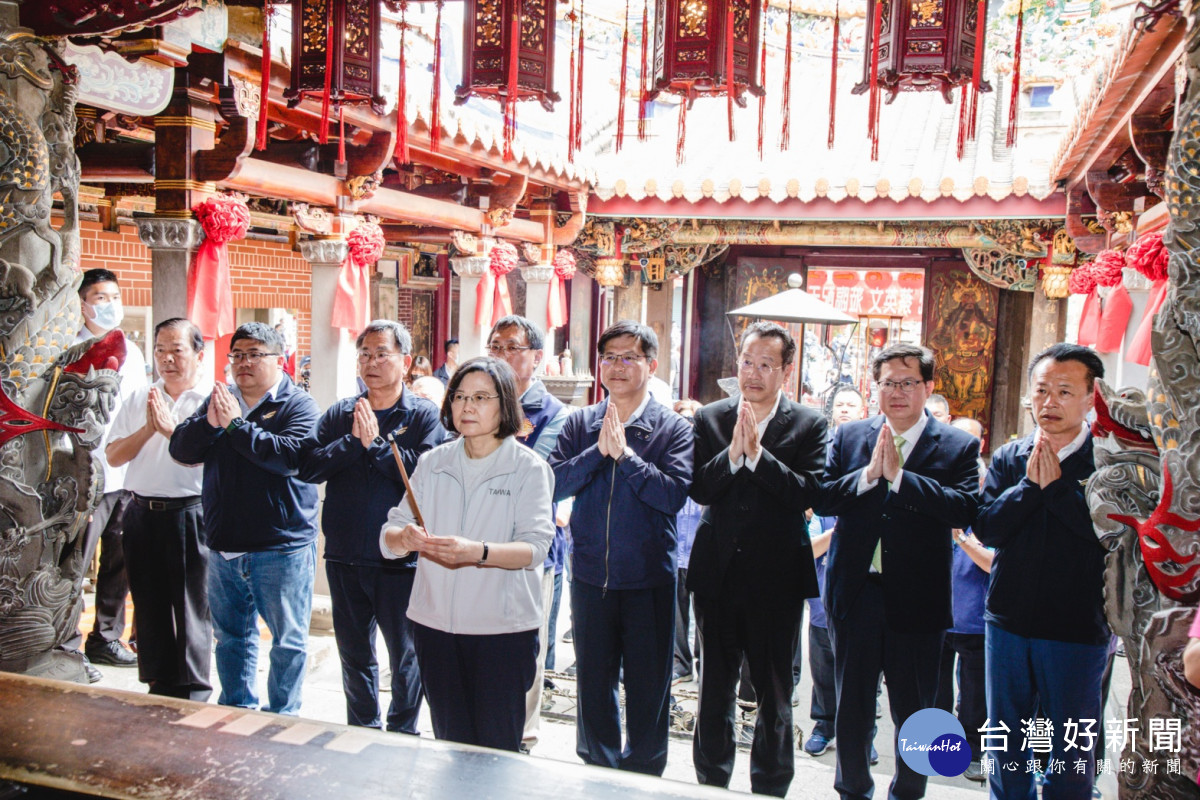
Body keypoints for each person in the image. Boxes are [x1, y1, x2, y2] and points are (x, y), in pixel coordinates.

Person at [817, 343, 980, 800]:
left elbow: (965, 507)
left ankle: (908, 792)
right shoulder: (851, 436)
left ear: (928, 387)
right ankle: (852, 789)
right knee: (852, 706)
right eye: (888, 382)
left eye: (909, 382)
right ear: (877, 387)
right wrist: (868, 476)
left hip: (918, 599)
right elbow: (825, 495)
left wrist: (903, 479)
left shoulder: (957, 445)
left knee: (916, 710)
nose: (898, 392)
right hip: (855, 594)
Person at [380, 357, 554, 752]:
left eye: (480, 397)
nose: (467, 407)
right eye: (459, 396)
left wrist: (477, 552)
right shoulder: (432, 462)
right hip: (434, 627)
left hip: (501, 632)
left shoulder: (528, 468)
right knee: (450, 745)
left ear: (505, 404)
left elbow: (535, 548)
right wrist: (403, 538)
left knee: (495, 751)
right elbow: (388, 535)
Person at [688, 321, 828, 797]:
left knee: (774, 694)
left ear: (785, 371)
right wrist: (731, 456)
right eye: (747, 361)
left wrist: (759, 457)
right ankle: (711, 780)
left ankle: (771, 784)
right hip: (717, 576)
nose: (753, 372)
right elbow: (699, 487)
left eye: (766, 364)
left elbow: (811, 492)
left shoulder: (810, 423)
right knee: (714, 689)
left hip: (777, 581)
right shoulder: (710, 417)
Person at [548, 320, 693, 776]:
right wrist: (599, 452)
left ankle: (644, 776)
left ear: (651, 365)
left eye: (629, 357)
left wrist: (626, 457)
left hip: (649, 578)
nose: (617, 366)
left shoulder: (673, 428)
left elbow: (672, 496)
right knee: (594, 684)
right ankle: (598, 769)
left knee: (650, 689)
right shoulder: (581, 422)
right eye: (609, 357)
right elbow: (552, 483)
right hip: (590, 576)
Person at [974, 344, 1110, 799]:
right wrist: (1030, 487)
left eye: (1064, 391)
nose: (1049, 402)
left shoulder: (1107, 462)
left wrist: (1056, 490)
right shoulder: (1014, 456)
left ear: (1092, 397)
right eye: (1042, 391)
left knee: (1070, 749)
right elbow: (989, 526)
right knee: (1005, 740)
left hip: (1075, 629)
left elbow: (1105, 538)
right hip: (1008, 622)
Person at [300, 320, 446, 734]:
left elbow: (427, 474)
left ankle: (402, 729)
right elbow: (309, 467)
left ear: (405, 360)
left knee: (405, 654)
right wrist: (350, 443)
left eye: (382, 353)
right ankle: (362, 728)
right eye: (364, 354)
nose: (372, 362)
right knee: (354, 653)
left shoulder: (421, 416)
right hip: (345, 552)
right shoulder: (341, 413)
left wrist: (378, 448)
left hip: (399, 557)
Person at [169, 322, 320, 715]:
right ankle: (236, 711)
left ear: (279, 360)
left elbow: (288, 459)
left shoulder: (298, 404)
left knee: (287, 640)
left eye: (255, 354)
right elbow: (182, 449)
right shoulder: (219, 401)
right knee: (232, 638)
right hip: (224, 546)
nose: (243, 363)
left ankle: (283, 717)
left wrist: (236, 425)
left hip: (280, 547)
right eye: (237, 355)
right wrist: (210, 423)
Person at [105, 318, 211, 699]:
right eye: (160, 350)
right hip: (140, 511)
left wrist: (172, 431)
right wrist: (149, 428)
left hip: (190, 512)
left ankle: (194, 688)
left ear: (199, 354)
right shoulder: (141, 398)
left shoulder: (214, 400)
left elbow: (216, 460)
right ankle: (158, 683)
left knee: (191, 606)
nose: (167, 359)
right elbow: (114, 455)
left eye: (177, 350)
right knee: (148, 603)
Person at [484, 314, 573, 751]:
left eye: (511, 347)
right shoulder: (475, 402)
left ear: (537, 357)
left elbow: (533, 478)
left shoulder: (557, 415)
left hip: (528, 553)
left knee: (524, 649)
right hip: (474, 547)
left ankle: (523, 736)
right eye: (494, 347)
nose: (500, 355)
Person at [72, 268, 147, 676]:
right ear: (82, 302)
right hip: (83, 472)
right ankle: (64, 641)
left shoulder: (132, 352)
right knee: (76, 560)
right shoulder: (69, 348)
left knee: (121, 561)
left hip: (124, 472)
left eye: (114, 296)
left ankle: (105, 638)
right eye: (99, 297)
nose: (109, 304)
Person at [805, 384, 872, 760]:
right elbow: (812, 543)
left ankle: (861, 734)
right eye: (840, 405)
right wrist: (838, 531)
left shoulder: (875, 465)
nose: (845, 410)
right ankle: (823, 723)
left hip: (866, 588)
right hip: (824, 587)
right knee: (823, 662)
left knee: (862, 667)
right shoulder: (824, 481)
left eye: (853, 406)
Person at [933, 416, 992, 784]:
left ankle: (973, 747)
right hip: (938, 611)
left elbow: (994, 563)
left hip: (976, 617)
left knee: (974, 693)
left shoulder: (991, 510)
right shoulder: (940, 499)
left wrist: (965, 541)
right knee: (936, 686)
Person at [672, 399, 703, 685]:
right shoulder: (672, 456)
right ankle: (680, 664)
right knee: (677, 615)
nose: (688, 425)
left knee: (704, 615)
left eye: (692, 420)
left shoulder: (707, 458)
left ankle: (704, 665)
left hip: (701, 551)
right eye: (682, 418)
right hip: (675, 549)